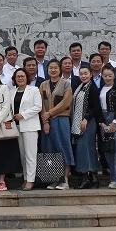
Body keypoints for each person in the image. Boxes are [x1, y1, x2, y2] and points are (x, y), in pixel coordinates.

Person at [2, 68, 42, 191]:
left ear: (27, 78)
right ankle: (25, 179)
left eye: (22, 76)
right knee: (23, 155)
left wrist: (23, 115)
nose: (20, 78)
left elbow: (38, 107)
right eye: (18, 76)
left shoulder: (34, 90)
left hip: (30, 125)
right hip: (17, 127)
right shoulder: (12, 92)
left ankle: (31, 180)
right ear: (14, 79)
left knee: (30, 155)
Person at [39, 60, 74, 190]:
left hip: (61, 119)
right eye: (50, 68)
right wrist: (45, 120)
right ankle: (54, 179)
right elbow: (41, 103)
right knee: (50, 149)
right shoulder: (43, 84)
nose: (53, 70)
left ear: (60, 69)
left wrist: (50, 113)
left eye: (55, 68)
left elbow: (66, 102)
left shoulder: (66, 84)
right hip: (47, 121)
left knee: (63, 146)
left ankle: (64, 179)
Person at [72, 66, 102, 189]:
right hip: (80, 122)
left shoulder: (93, 88)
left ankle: (90, 177)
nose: (83, 76)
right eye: (81, 74)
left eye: (86, 74)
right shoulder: (81, 87)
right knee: (83, 149)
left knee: (86, 148)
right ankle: (90, 177)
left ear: (90, 74)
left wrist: (86, 118)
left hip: (88, 122)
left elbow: (96, 107)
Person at [98, 65, 116, 190]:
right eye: (105, 76)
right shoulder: (100, 89)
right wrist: (101, 122)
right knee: (107, 150)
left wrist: (115, 122)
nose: (108, 78)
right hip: (104, 119)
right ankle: (114, 178)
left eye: (110, 75)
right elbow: (97, 108)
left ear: (114, 75)